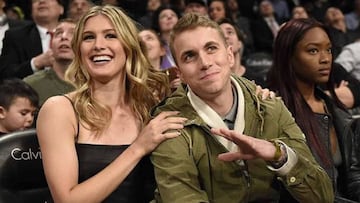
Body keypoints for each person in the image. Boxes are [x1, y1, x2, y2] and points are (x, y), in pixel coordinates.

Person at [150, 13, 333, 203]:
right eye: (190, 56)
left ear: (230, 55)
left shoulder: (270, 107)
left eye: (211, 48)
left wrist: (279, 156)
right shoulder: (169, 123)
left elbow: (323, 196)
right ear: (180, 74)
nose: (205, 63)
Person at [36, 5, 187, 202]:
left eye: (110, 35)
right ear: (79, 50)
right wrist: (138, 148)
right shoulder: (60, 110)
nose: (98, 45)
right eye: (88, 37)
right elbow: (67, 200)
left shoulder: (151, 107)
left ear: (129, 46)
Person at [267, 18, 360, 201]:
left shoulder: (337, 111)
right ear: (288, 55)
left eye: (329, 50)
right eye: (313, 50)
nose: (325, 59)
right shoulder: (276, 113)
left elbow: (353, 177)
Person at [0, 0, 64, 79]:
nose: (41, 1)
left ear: (61, 9)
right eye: (35, 0)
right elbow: (5, 74)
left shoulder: (76, 34)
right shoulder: (15, 36)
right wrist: (35, 63)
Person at [23, 18, 75, 107]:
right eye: (58, 33)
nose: (64, 37)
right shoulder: (30, 85)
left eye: (72, 34)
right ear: (51, 44)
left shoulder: (94, 84)